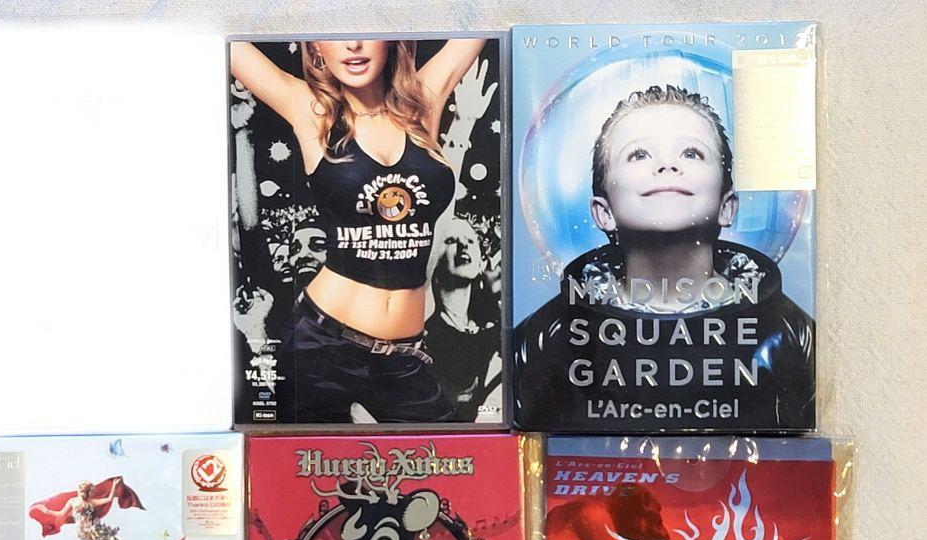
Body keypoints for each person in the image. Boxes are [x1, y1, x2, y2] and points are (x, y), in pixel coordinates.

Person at [514, 84, 815, 431]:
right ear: (603, 212)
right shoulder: (545, 338)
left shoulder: (790, 333)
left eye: (692, 153)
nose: (667, 165)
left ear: (727, 206)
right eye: (639, 154)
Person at [230, 38, 488, 422]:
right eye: (335, 34)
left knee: (447, 455)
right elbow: (228, 37)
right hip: (321, 345)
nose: (353, 45)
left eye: (366, 29)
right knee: (298, 460)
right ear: (317, 48)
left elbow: (481, 22)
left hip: (403, 355)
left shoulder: (422, 101)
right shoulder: (311, 109)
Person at [422, 217, 502, 420]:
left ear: (481, 262)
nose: (463, 245)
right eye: (450, 240)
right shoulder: (423, 334)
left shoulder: (493, 332)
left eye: (470, 240)